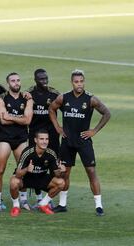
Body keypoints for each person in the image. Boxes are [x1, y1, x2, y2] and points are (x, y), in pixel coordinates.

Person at [49, 69, 111, 216]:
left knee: (91, 172)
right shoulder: (63, 98)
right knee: (65, 173)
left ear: (84, 82)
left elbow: (107, 113)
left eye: (81, 81)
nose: (79, 84)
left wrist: (94, 131)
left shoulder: (91, 99)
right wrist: (58, 127)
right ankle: (62, 204)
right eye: (76, 82)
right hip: (67, 141)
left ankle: (98, 206)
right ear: (72, 82)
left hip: (84, 142)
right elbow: (51, 109)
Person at [0, 72, 33, 212]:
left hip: (21, 138)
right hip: (5, 138)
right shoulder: (1, 98)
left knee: (23, 170)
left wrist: (11, 116)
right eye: (13, 81)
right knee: (0, 169)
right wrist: (19, 118)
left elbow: (28, 120)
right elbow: (3, 120)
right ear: (8, 83)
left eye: (18, 80)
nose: (16, 83)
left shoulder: (27, 98)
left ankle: (23, 200)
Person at [9, 129, 66, 217]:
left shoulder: (51, 154)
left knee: (61, 183)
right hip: (27, 179)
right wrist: (27, 169)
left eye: (46, 139)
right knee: (13, 182)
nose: (44, 142)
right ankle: (16, 206)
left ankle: (43, 203)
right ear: (36, 140)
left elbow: (57, 175)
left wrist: (61, 170)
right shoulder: (27, 152)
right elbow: (18, 174)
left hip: (41, 179)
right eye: (42, 139)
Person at [27, 68, 60, 206]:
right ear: (35, 80)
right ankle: (39, 197)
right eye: (41, 79)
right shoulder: (29, 94)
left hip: (51, 136)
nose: (44, 81)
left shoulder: (54, 94)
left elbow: (67, 109)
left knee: (53, 166)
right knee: (35, 166)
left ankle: (49, 199)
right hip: (34, 136)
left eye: (46, 78)